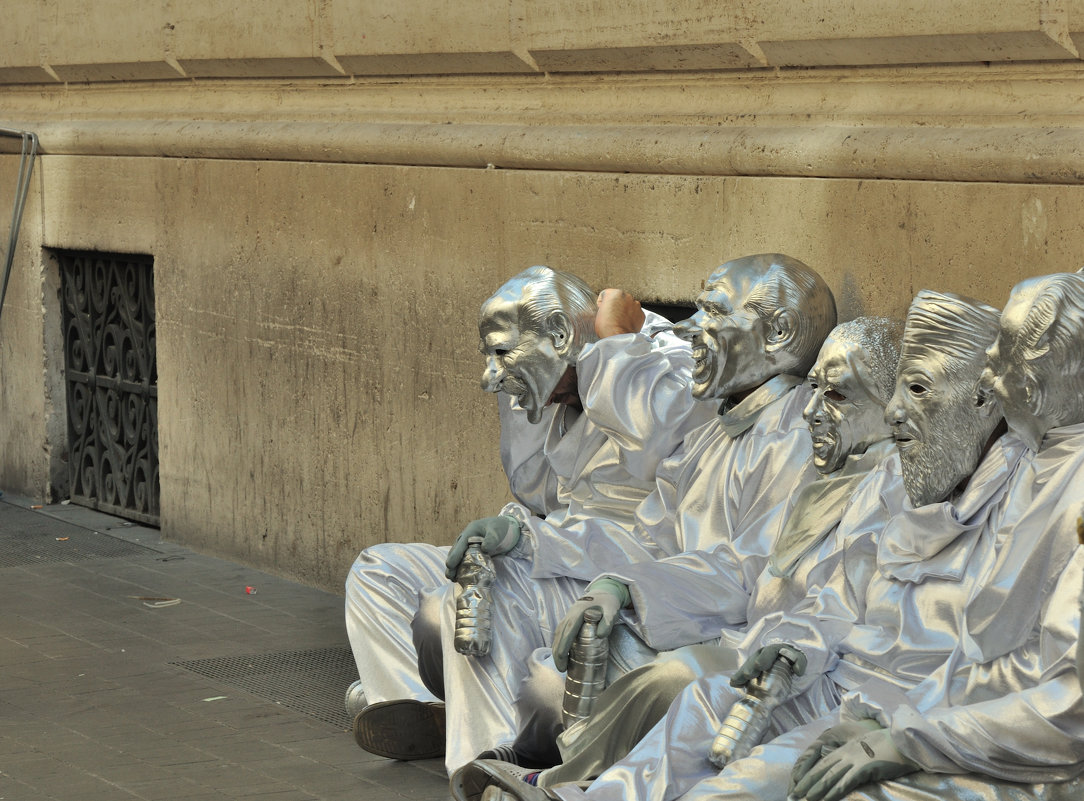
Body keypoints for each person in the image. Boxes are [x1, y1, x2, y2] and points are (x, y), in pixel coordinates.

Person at [459, 289, 1024, 801]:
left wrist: (903, 726)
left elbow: (1001, 664)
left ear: (984, 400)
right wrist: (617, 583)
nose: (691, 330)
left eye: (917, 390)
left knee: (708, 725)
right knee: (679, 700)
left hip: (878, 702)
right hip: (791, 660)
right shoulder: (878, 477)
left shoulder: (1010, 500)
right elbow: (772, 576)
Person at [440, 253, 836, 771]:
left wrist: (633, 588)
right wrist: (532, 541)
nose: (692, 329)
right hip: (672, 613)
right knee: (531, 662)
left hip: (739, 642)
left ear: (778, 331)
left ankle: (556, 778)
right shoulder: (714, 435)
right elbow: (647, 541)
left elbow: (752, 574)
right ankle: (504, 760)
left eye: (713, 314)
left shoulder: (797, 436)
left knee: (557, 686)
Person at [346, 265, 715, 763]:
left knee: (468, 601)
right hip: (559, 548)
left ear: (563, 335)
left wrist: (613, 348)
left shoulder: (668, 364)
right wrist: (527, 396)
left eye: (501, 354)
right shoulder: (561, 381)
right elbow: (532, 489)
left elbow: (651, 455)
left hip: (615, 573)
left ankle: (492, 763)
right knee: (378, 571)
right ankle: (428, 707)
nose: (489, 377)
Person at [788, 272, 1084, 801]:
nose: (988, 363)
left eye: (1004, 346)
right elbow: (988, 661)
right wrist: (891, 723)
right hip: (958, 724)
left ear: (1041, 381)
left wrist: (912, 740)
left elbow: (1069, 706)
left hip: (1031, 758)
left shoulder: (1065, 483)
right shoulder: (1038, 461)